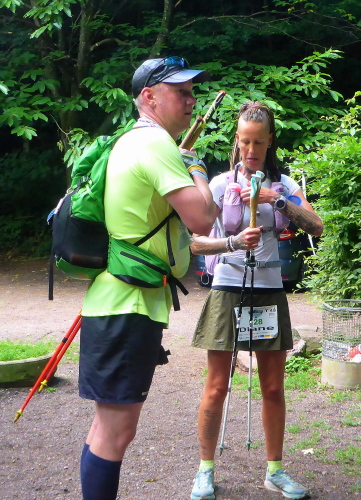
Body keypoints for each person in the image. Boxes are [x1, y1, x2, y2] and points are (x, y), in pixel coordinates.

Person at [78, 56, 217, 499]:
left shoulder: (131, 141)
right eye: (181, 92)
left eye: (193, 92)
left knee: (108, 429)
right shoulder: (156, 144)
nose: (191, 100)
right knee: (115, 432)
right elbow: (203, 218)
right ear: (149, 96)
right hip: (128, 306)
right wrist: (197, 167)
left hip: (119, 301)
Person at [190, 101, 323, 500]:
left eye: (259, 143)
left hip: (268, 290)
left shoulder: (284, 185)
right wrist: (231, 242)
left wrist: (276, 201)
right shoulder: (218, 184)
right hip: (228, 287)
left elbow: (316, 226)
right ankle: (205, 470)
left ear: (270, 141)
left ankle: (275, 472)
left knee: (273, 388)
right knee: (217, 385)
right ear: (237, 139)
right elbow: (194, 241)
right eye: (245, 142)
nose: (251, 150)